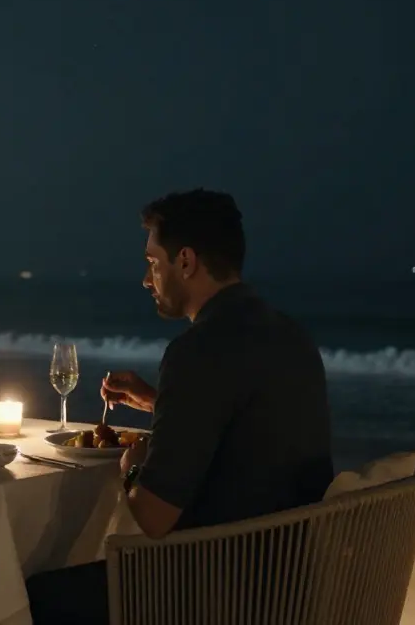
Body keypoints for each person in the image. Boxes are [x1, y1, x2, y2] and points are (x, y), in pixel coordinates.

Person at [26, 189, 334, 624]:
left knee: (36, 595)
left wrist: (131, 466)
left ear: (185, 261)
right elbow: (251, 427)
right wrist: (161, 401)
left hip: (213, 590)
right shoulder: (290, 336)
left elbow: (153, 516)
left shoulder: (198, 350)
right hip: (288, 580)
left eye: (153, 263)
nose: (147, 280)